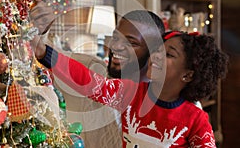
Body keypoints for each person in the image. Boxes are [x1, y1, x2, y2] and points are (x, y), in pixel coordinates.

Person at [30, 30, 229, 147]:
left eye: (169, 54)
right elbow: (89, 82)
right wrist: (45, 53)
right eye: (158, 49)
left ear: (188, 75)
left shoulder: (196, 120)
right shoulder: (131, 93)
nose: (156, 55)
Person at [30, 3, 165, 147]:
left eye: (132, 43)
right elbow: (45, 52)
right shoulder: (90, 67)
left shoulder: (160, 105)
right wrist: (41, 30)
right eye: (116, 37)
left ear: (154, 52)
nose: (116, 46)